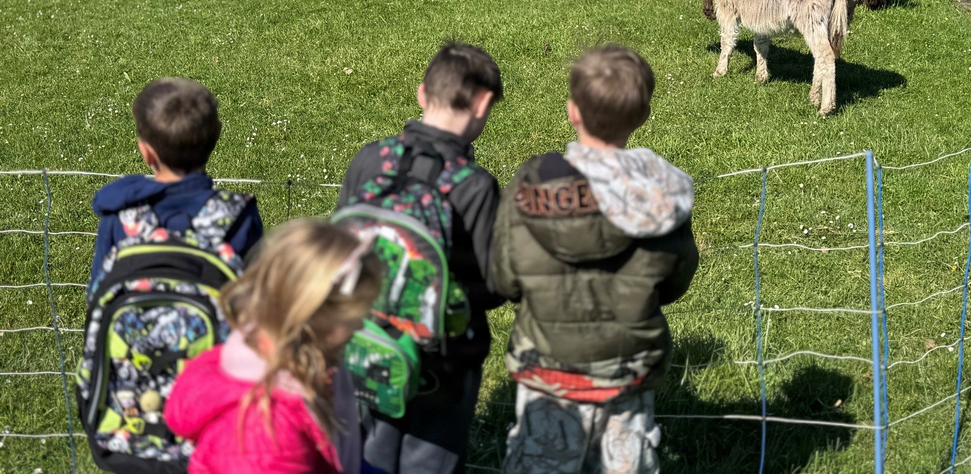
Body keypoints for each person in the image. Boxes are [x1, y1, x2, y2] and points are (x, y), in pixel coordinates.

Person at [490, 44, 700, 474]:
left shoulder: (530, 188)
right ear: (642, 116)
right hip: (625, 373)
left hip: (547, 372)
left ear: (572, 111)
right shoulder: (661, 199)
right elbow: (676, 280)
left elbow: (503, 277)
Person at [336, 41, 504, 474]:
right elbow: (492, 285)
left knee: (360, 453)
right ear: (483, 104)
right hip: (440, 363)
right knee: (430, 461)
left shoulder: (371, 159)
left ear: (421, 93)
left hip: (362, 344)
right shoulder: (473, 184)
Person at [164, 218, 382, 474]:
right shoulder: (264, 435)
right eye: (354, 317)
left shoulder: (298, 363)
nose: (359, 327)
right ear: (314, 315)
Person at [88, 77, 263, 288]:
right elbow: (256, 300)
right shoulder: (238, 216)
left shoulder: (121, 213)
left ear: (146, 153)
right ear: (217, 135)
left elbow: (98, 295)